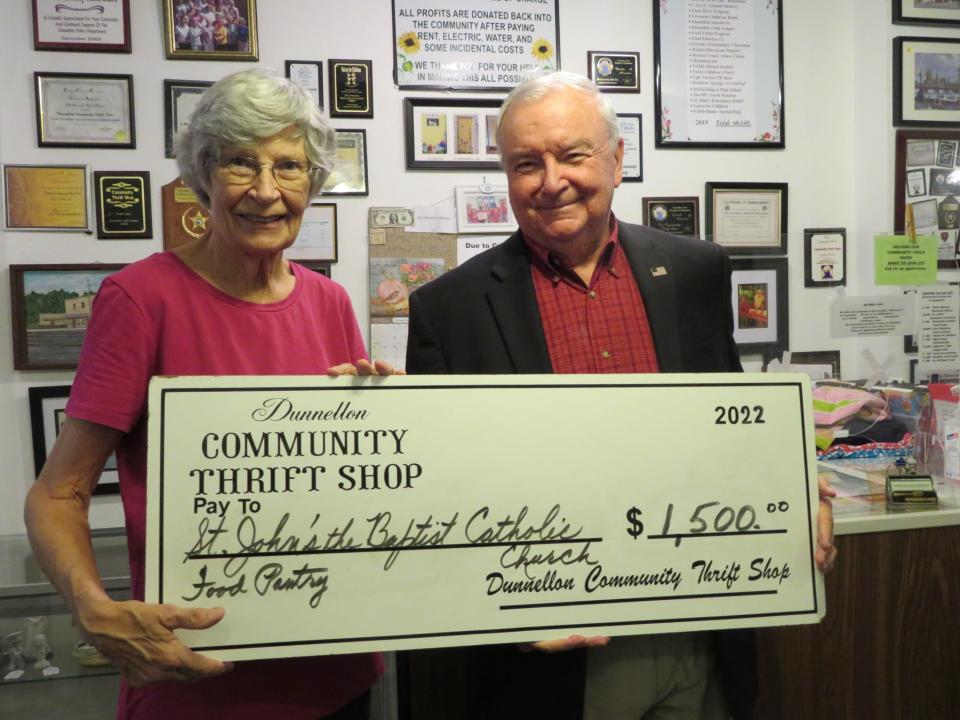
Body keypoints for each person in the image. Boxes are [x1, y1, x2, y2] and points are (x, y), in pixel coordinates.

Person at [405, 71, 838, 720]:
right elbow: (437, 494)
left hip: (699, 627)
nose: (551, 181)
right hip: (555, 652)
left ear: (616, 159)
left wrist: (795, 486)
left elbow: (730, 423)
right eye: (527, 163)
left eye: (573, 155)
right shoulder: (450, 309)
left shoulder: (694, 269)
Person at [24, 68, 396, 720]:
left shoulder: (331, 302)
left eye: (288, 167)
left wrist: (398, 423)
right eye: (239, 164)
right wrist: (92, 610)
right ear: (201, 175)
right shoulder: (142, 299)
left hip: (336, 676)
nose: (265, 191)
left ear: (312, 181)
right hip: (197, 682)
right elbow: (57, 494)